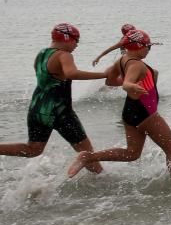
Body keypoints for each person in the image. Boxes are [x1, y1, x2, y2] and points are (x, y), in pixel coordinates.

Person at [68, 30, 171, 180]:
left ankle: (88, 157)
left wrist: (131, 82)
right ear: (139, 46)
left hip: (130, 111)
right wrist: (130, 85)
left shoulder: (122, 60)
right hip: (146, 113)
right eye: (148, 46)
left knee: (132, 153)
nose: (149, 50)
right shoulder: (137, 65)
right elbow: (127, 83)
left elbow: (109, 80)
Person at [0, 23, 107, 173]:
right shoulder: (64, 55)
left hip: (37, 109)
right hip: (59, 112)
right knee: (86, 152)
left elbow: (49, 78)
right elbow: (71, 73)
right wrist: (104, 74)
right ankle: (101, 180)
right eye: (76, 40)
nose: (77, 45)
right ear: (67, 38)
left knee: (33, 149)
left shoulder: (41, 54)